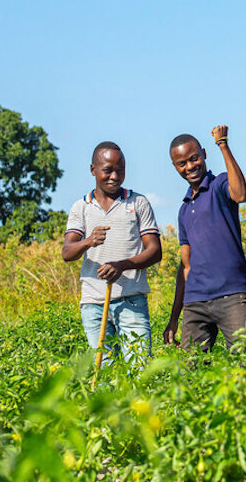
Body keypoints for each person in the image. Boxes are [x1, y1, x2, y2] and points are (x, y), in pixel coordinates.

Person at [62, 141, 162, 364]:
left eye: (120, 170)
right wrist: (88, 241)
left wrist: (122, 265)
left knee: (139, 367)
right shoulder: (81, 207)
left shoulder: (138, 203)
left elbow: (155, 251)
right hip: (93, 304)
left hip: (131, 301)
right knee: (103, 369)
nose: (114, 176)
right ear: (93, 170)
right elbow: (67, 252)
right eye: (107, 170)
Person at [163, 126, 246, 351]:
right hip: (195, 303)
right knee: (191, 372)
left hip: (232, 296)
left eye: (194, 159)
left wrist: (223, 144)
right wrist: (174, 317)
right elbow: (186, 266)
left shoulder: (220, 185)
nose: (190, 166)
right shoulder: (184, 210)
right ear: (175, 167)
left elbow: (241, 194)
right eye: (181, 163)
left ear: (203, 153)